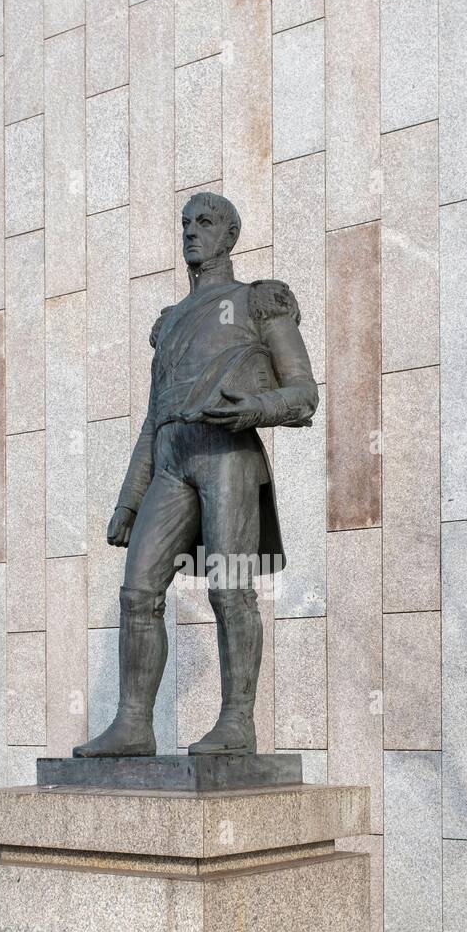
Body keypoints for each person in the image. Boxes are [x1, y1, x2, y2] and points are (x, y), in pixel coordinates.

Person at [75, 191, 319, 757]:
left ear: (229, 237)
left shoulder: (258, 302)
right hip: (172, 458)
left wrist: (255, 411)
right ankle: (134, 723)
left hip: (226, 454)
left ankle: (238, 721)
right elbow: (153, 415)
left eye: (204, 222)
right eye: (184, 222)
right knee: (138, 592)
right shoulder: (170, 321)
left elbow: (304, 394)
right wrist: (129, 501)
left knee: (230, 589)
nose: (190, 231)